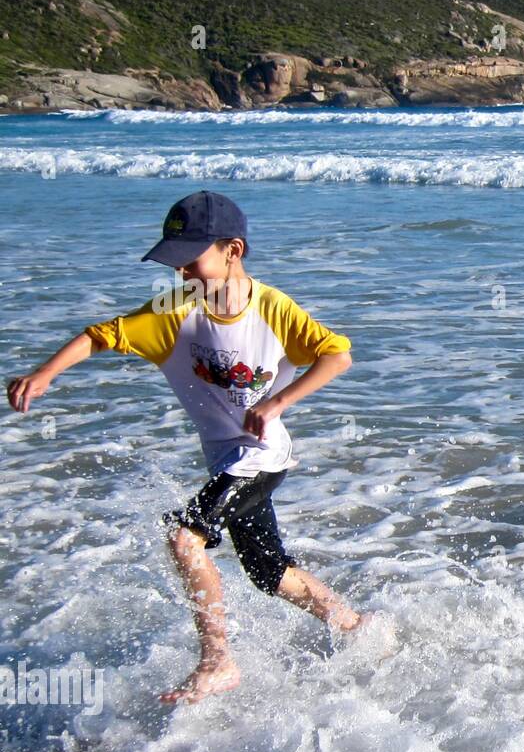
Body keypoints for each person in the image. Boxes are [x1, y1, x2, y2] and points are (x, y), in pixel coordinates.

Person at [6, 191, 366, 705]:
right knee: (270, 573)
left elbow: (338, 356)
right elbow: (99, 336)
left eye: (190, 262)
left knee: (184, 538)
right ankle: (355, 625)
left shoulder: (272, 309)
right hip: (229, 459)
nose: (181, 275)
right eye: (174, 264)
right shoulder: (173, 313)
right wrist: (44, 374)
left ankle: (218, 660)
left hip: (262, 455)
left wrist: (277, 403)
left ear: (232, 250)